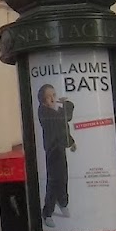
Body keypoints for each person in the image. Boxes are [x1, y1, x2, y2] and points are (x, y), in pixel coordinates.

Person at [37, 83, 76, 223]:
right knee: (54, 181)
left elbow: (63, 127)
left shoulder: (54, 111)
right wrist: (66, 105)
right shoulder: (44, 112)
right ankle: (47, 213)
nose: (53, 99)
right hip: (52, 150)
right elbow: (63, 119)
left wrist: (71, 142)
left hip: (59, 148)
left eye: (54, 95)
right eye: (49, 97)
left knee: (63, 177)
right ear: (43, 100)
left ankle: (63, 202)